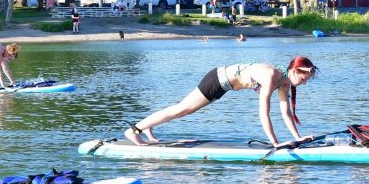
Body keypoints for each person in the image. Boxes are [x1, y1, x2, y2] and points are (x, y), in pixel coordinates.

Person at [123, 56, 320, 147]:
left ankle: (148, 126)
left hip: (224, 86)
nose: (302, 84)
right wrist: (275, 143)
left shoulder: (284, 84)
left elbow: (285, 113)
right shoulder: (271, 76)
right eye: (303, 79)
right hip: (216, 80)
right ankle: (135, 130)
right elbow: (263, 112)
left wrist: (297, 138)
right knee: (183, 109)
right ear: (295, 71)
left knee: (182, 109)